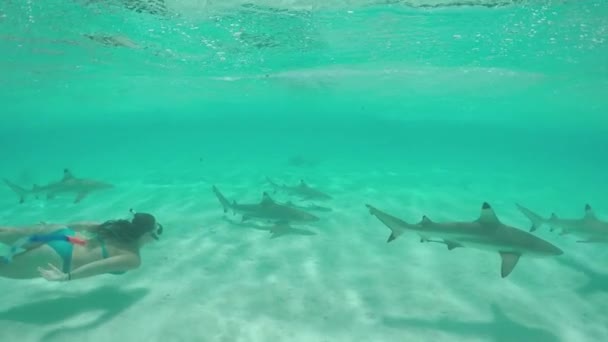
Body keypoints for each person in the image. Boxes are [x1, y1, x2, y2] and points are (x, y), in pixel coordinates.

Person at [0, 212, 163, 282]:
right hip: (60, 256)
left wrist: (58, 225)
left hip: (63, 233)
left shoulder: (116, 229)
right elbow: (97, 267)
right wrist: (66, 277)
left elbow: (86, 224)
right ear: (147, 234)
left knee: (6, 231)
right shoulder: (133, 258)